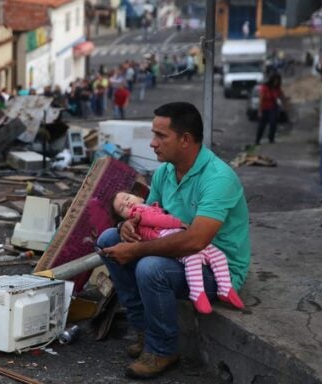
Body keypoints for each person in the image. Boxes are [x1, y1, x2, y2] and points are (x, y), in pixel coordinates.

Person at [96, 102, 250, 379]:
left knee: (150, 267)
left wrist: (136, 249)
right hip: (178, 255)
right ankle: (145, 330)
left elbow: (196, 241)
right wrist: (129, 224)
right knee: (109, 238)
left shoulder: (218, 178)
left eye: (160, 136)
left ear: (186, 140)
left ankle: (163, 349)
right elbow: (150, 214)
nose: (153, 144)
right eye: (153, 135)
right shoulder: (166, 171)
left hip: (215, 267)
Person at [110, 192, 245, 314]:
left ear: (140, 196)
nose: (127, 203)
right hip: (166, 237)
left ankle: (225, 288)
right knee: (192, 258)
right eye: (122, 208)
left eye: (127, 198)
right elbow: (157, 220)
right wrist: (179, 223)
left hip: (178, 236)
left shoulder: (148, 205)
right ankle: (197, 293)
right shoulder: (139, 211)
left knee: (218, 255)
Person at [256, 73, 287, 145]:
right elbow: (261, 99)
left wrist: (285, 106)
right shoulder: (265, 87)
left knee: (273, 123)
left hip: (273, 108)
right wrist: (260, 111)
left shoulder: (277, 89)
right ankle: (257, 140)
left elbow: (282, 97)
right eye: (275, 81)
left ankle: (271, 138)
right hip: (264, 108)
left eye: (278, 81)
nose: (276, 82)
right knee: (262, 126)